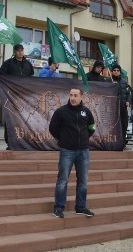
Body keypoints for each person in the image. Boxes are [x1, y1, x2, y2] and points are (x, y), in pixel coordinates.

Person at [49, 88, 96, 219]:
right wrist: (63, 139)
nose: (73, 98)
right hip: (67, 151)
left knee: (83, 181)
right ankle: (58, 208)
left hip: (83, 151)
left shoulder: (86, 112)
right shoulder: (61, 112)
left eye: (75, 95)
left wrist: (86, 137)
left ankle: (80, 207)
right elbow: (52, 128)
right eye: (71, 95)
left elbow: (92, 126)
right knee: (62, 180)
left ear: (81, 96)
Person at [110, 64, 131, 147]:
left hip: (123, 108)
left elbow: (128, 93)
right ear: (112, 72)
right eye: (114, 70)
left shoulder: (124, 81)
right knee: (113, 126)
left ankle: (122, 143)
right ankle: (113, 142)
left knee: (124, 125)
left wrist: (128, 101)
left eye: (118, 70)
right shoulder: (109, 80)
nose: (116, 72)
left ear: (120, 72)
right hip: (112, 108)